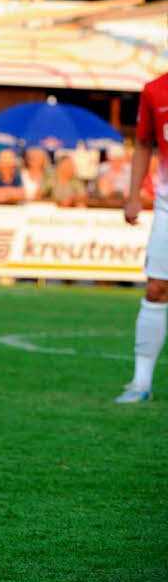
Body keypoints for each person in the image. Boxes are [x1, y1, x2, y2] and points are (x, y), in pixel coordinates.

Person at [118, 73, 168, 403]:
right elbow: (144, 145)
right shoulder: (154, 90)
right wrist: (134, 194)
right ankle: (140, 382)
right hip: (166, 202)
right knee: (156, 288)